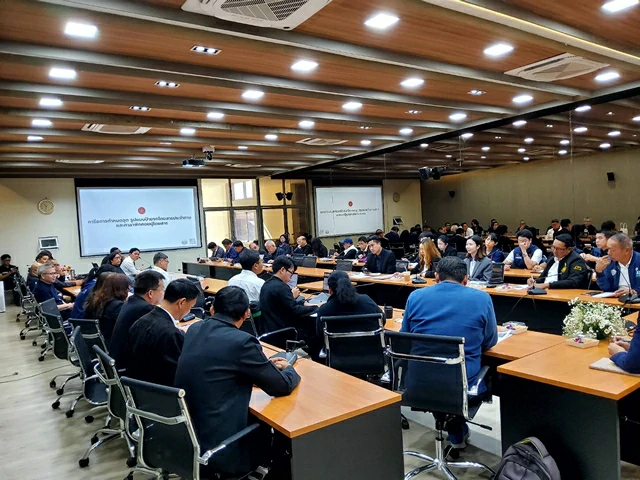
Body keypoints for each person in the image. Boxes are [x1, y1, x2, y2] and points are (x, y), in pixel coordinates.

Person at [175, 286, 300, 477]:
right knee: (283, 433)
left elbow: (217, 367)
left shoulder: (194, 329)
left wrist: (253, 372)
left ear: (212, 309)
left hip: (188, 434)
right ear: (247, 313)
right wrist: (289, 369)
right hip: (222, 445)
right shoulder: (242, 342)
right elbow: (281, 386)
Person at [401, 257, 497, 449]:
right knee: (454, 375)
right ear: (466, 279)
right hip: (461, 382)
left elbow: (404, 337)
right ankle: (456, 429)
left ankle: (454, 429)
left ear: (436, 277)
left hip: (419, 379)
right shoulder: (482, 299)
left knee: (437, 374)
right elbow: (490, 340)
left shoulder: (415, 296)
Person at [124, 279, 199, 386]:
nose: (189, 311)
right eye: (191, 307)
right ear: (181, 302)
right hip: (159, 391)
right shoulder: (171, 334)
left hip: (136, 386)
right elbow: (178, 375)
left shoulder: (140, 321)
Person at [110, 270, 165, 369]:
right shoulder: (145, 309)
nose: (163, 293)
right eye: (162, 290)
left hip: (118, 358)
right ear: (150, 293)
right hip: (128, 366)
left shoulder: (132, 301)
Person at [259, 257, 317, 337]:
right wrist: (316, 307)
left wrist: (302, 303)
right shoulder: (281, 287)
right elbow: (295, 310)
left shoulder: (266, 284)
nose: (291, 277)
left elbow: (283, 305)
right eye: (291, 273)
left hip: (269, 328)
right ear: (282, 270)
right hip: (283, 331)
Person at [316, 271, 382, 335]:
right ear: (349, 284)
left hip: (337, 343)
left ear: (330, 290)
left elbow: (320, 333)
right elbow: (382, 320)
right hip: (369, 342)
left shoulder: (325, 309)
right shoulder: (367, 300)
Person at [85, 273, 131, 348]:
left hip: (97, 343)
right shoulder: (117, 306)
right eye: (127, 287)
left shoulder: (97, 300)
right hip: (112, 345)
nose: (128, 290)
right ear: (121, 289)